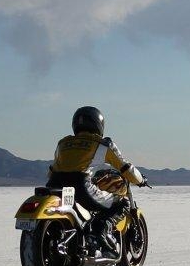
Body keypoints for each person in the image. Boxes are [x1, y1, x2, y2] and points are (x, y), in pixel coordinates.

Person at [47, 105, 144, 256]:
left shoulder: (63, 143)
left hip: (56, 186)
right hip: (81, 188)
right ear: (98, 124)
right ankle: (100, 231)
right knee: (121, 203)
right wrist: (140, 180)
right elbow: (125, 168)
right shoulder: (102, 144)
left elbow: (52, 169)